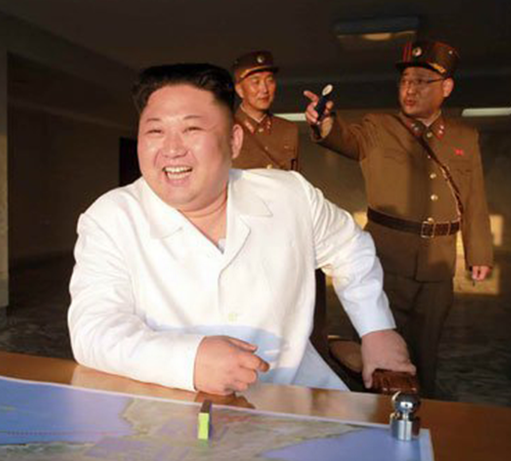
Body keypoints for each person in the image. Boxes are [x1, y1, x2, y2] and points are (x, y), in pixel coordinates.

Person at [68, 63, 414, 396]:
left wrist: (376, 327)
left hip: (295, 397)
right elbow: (93, 329)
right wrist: (188, 361)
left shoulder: (291, 195)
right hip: (172, 405)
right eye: (155, 131)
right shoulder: (111, 217)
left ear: (234, 140)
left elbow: (350, 248)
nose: (171, 149)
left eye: (192, 129)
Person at [304, 40, 493, 396]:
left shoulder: (464, 137)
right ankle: (375, 417)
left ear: (446, 88)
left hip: (438, 266)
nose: (410, 89)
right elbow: (345, 139)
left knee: (426, 352)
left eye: (422, 81)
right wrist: (325, 122)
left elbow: (474, 197)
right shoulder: (379, 127)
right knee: (380, 352)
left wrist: (479, 252)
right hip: (386, 260)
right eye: (405, 81)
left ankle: (423, 413)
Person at [231, 51, 299, 171]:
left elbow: (295, 178)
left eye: (270, 81)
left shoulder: (288, 130)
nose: (264, 89)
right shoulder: (225, 130)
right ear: (239, 89)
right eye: (255, 82)